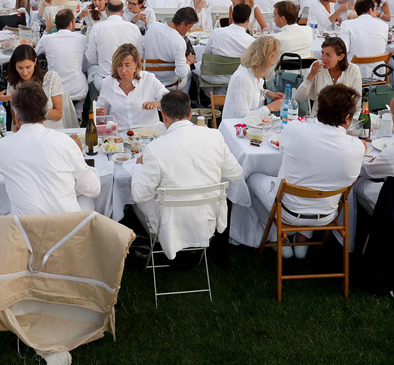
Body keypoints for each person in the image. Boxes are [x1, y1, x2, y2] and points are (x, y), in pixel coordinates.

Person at [247, 85, 366, 258]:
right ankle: (303, 238)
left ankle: (276, 237)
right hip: (327, 214)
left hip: (287, 210)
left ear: (319, 109)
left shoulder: (295, 129)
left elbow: (282, 153)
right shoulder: (357, 147)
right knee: (315, 182)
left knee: (252, 177)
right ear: (348, 119)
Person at [130, 91, 243, 260]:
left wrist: (139, 166)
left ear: (164, 116)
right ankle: (192, 249)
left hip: (170, 224)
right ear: (190, 113)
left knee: (137, 194)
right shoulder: (214, 136)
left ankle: (153, 242)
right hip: (207, 218)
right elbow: (236, 173)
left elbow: (139, 194)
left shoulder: (154, 149)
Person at [0, 82, 101, 215]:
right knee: (87, 199)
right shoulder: (65, 142)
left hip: (26, 229)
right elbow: (93, 189)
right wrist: (80, 155)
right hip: (67, 229)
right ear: (46, 110)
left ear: (16, 111)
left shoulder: (1, 146)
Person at [96, 43, 169, 131]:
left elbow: (171, 101)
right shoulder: (108, 83)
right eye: (119, 65)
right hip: (119, 135)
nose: (123, 70)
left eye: (127, 65)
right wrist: (100, 113)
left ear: (136, 65)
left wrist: (157, 104)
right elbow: (100, 110)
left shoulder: (148, 79)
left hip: (148, 133)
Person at [294, 36, 362, 117]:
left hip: (342, 120)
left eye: (328, 55)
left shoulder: (353, 70)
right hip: (319, 119)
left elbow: (356, 104)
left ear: (341, 57)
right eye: (322, 53)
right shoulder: (317, 67)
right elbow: (299, 97)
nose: (323, 58)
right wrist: (311, 76)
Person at [221, 36, 285, 121]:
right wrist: (270, 107)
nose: (274, 62)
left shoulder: (254, 71)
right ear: (266, 59)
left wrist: (268, 93)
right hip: (236, 128)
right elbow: (242, 116)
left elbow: (253, 91)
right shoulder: (243, 78)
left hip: (252, 125)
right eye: (274, 58)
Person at [3, 44, 65, 128]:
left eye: (28, 67)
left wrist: (38, 111)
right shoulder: (13, 83)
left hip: (51, 128)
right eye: (20, 68)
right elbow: (15, 119)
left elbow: (58, 114)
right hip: (26, 130)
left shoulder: (51, 78)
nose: (25, 73)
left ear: (35, 62)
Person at [85, 0, 142, 90]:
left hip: (106, 80)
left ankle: (95, 103)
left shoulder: (97, 28)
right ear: (122, 13)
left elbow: (91, 58)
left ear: (106, 12)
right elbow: (139, 56)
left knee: (90, 71)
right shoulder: (134, 28)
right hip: (129, 79)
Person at [37, 9, 89, 107]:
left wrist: (46, 31)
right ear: (70, 24)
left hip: (55, 91)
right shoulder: (81, 38)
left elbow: (35, 53)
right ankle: (79, 116)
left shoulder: (46, 39)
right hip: (78, 91)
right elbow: (88, 59)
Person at [144, 7, 198, 89]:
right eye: (189, 27)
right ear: (182, 24)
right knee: (189, 73)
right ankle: (182, 99)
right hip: (169, 84)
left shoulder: (153, 26)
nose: (189, 31)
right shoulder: (179, 42)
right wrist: (189, 61)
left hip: (149, 79)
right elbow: (181, 73)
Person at [339, 0, 390, 78]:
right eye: (375, 9)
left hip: (355, 74)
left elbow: (344, 49)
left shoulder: (347, 24)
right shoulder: (384, 25)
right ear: (370, 10)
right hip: (378, 73)